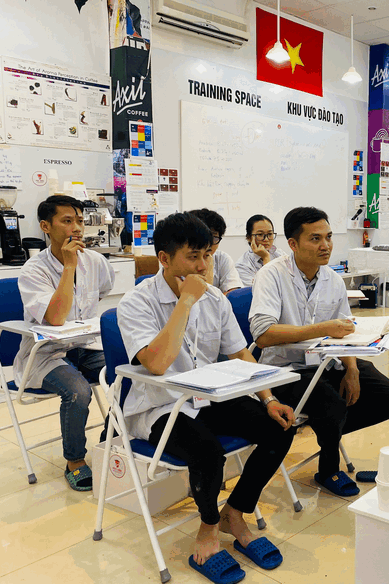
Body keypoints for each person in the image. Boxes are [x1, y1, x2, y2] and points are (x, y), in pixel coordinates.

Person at [117, 212, 295, 574]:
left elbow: (240, 353)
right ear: (165, 259)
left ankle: (235, 513)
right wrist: (185, 302)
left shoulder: (214, 299)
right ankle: (209, 528)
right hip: (160, 406)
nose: (202, 266)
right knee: (208, 453)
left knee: (279, 428)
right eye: (192, 257)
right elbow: (157, 363)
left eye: (207, 255)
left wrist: (269, 399)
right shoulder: (136, 302)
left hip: (207, 396)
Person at [249, 207, 389, 497]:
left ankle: (328, 429)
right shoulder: (271, 275)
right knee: (331, 404)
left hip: (328, 361)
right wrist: (322, 329)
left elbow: (344, 329)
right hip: (287, 369)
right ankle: (328, 469)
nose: (326, 245)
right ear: (293, 244)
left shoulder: (331, 278)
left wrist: (352, 369)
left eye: (329, 237)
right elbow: (263, 335)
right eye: (315, 239)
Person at [16, 195, 115, 491]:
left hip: (85, 346)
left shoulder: (96, 262)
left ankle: (111, 439)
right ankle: (75, 461)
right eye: (67, 221)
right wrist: (70, 265)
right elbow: (56, 318)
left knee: (129, 371)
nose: (77, 228)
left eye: (80, 221)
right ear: (46, 226)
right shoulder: (33, 270)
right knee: (77, 390)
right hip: (47, 353)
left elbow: (102, 290)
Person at [188, 208, 242, 294]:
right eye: (203, 237)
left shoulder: (222, 258)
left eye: (213, 237)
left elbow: (234, 293)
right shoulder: (182, 259)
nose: (208, 244)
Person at [235, 214, 284, 287]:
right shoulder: (242, 265)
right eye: (260, 234)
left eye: (270, 234)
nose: (266, 239)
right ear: (249, 238)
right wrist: (266, 257)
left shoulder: (280, 255)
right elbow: (264, 289)